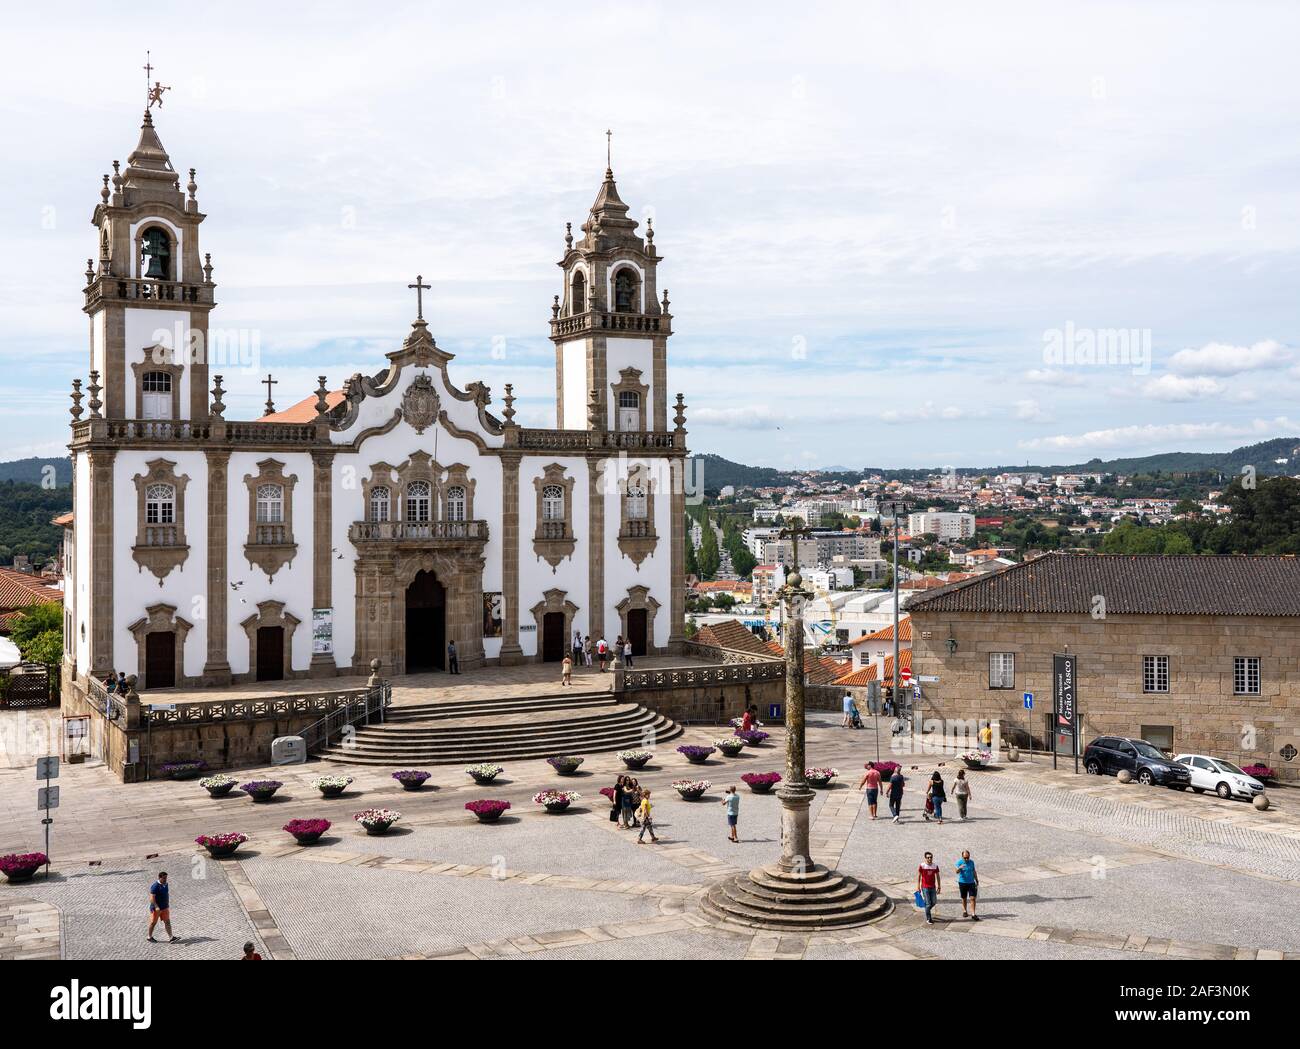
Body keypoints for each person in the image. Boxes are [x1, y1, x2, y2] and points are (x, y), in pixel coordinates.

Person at [147, 871, 174, 943]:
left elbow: (166, 893)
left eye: (166, 878)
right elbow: (152, 898)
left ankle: (171, 937)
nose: (165, 879)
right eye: (164, 878)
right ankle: (149, 937)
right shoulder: (155, 886)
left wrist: (167, 902)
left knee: (167, 921)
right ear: (159, 878)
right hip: (157, 909)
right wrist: (156, 906)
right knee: (153, 923)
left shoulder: (166, 884)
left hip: (165, 907)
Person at [917, 851, 941, 924]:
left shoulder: (935, 866)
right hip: (925, 887)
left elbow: (937, 876)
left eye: (931, 857)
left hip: (933, 887)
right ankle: (929, 918)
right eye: (928, 857)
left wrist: (939, 886)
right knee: (928, 903)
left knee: (934, 902)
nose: (929, 859)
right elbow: (919, 876)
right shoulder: (922, 865)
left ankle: (927, 910)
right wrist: (918, 886)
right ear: (925, 858)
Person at [955, 850, 979, 920]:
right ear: (962, 857)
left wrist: (976, 879)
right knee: (964, 897)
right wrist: (960, 868)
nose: (966, 859)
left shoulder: (971, 862)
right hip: (962, 882)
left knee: (973, 898)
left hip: (971, 882)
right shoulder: (959, 862)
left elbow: (974, 871)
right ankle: (965, 910)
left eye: (967, 857)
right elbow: (956, 872)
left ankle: (973, 914)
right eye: (965, 858)